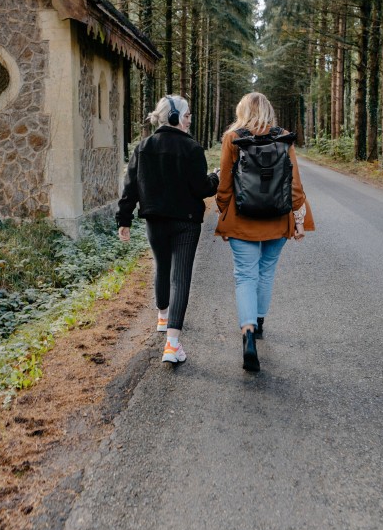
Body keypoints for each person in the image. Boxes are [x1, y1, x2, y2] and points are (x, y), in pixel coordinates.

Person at [215, 92, 315, 372]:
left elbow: (224, 183)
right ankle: (258, 323)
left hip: (241, 217)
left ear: (242, 111)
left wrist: (223, 213)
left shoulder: (233, 138)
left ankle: (247, 333)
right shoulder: (284, 137)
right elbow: (295, 184)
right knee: (266, 271)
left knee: (245, 274)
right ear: (270, 111)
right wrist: (298, 217)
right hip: (277, 217)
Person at [117, 95, 219, 365]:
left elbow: (130, 188)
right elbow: (202, 189)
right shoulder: (192, 149)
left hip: (155, 220)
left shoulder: (143, 147)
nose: (189, 121)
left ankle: (163, 318)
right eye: (187, 116)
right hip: (186, 222)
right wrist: (215, 178)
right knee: (180, 277)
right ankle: (172, 345)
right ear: (175, 118)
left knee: (161, 266)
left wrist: (123, 220)